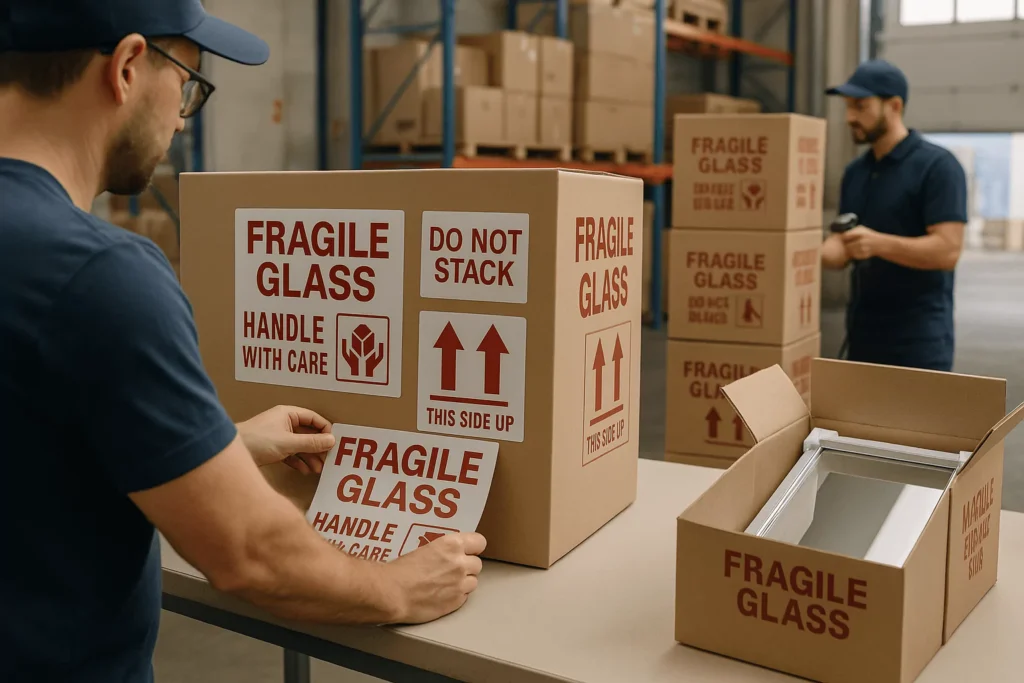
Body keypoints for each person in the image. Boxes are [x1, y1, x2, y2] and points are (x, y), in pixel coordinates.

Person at [0, 2, 486, 681]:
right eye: (187, 82)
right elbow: (251, 554)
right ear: (128, 67)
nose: (178, 116)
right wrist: (401, 585)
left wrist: (216, 446)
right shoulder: (99, 276)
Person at [822, 60, 967, 371]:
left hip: (918, 342)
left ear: (894, 106)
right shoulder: (855, 173)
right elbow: (839, 248)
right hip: (862, 337)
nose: (850, 117)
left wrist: (877, 244)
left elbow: (948, 250)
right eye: (847, 107)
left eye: (860, 106)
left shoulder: (937, 167)